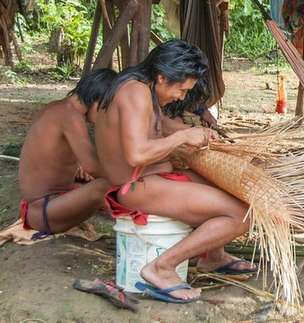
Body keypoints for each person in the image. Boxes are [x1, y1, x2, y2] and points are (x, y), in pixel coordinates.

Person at [95, 40, 254, 303]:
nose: (181, 97)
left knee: (226, 187)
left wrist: (196, 133)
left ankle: (213, 256)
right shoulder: (135, 92)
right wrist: (183, 138)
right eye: (181, 90)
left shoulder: (141, 87)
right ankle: (162, 267)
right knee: (243, 215)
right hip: (136, 185)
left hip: (151, 178)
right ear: (161, 77)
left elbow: (157, 123)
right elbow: (137, 155)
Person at [17, 69, 117, 237]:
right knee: (105, 187)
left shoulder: (57, 108)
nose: (106, 114)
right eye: (107, 107)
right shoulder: (71, 117)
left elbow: (52, 154)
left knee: (104, 187)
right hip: (43, 212)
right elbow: (92, 166)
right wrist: (126, 178)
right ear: (98, 97)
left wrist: (78, 167)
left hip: (43, 207)